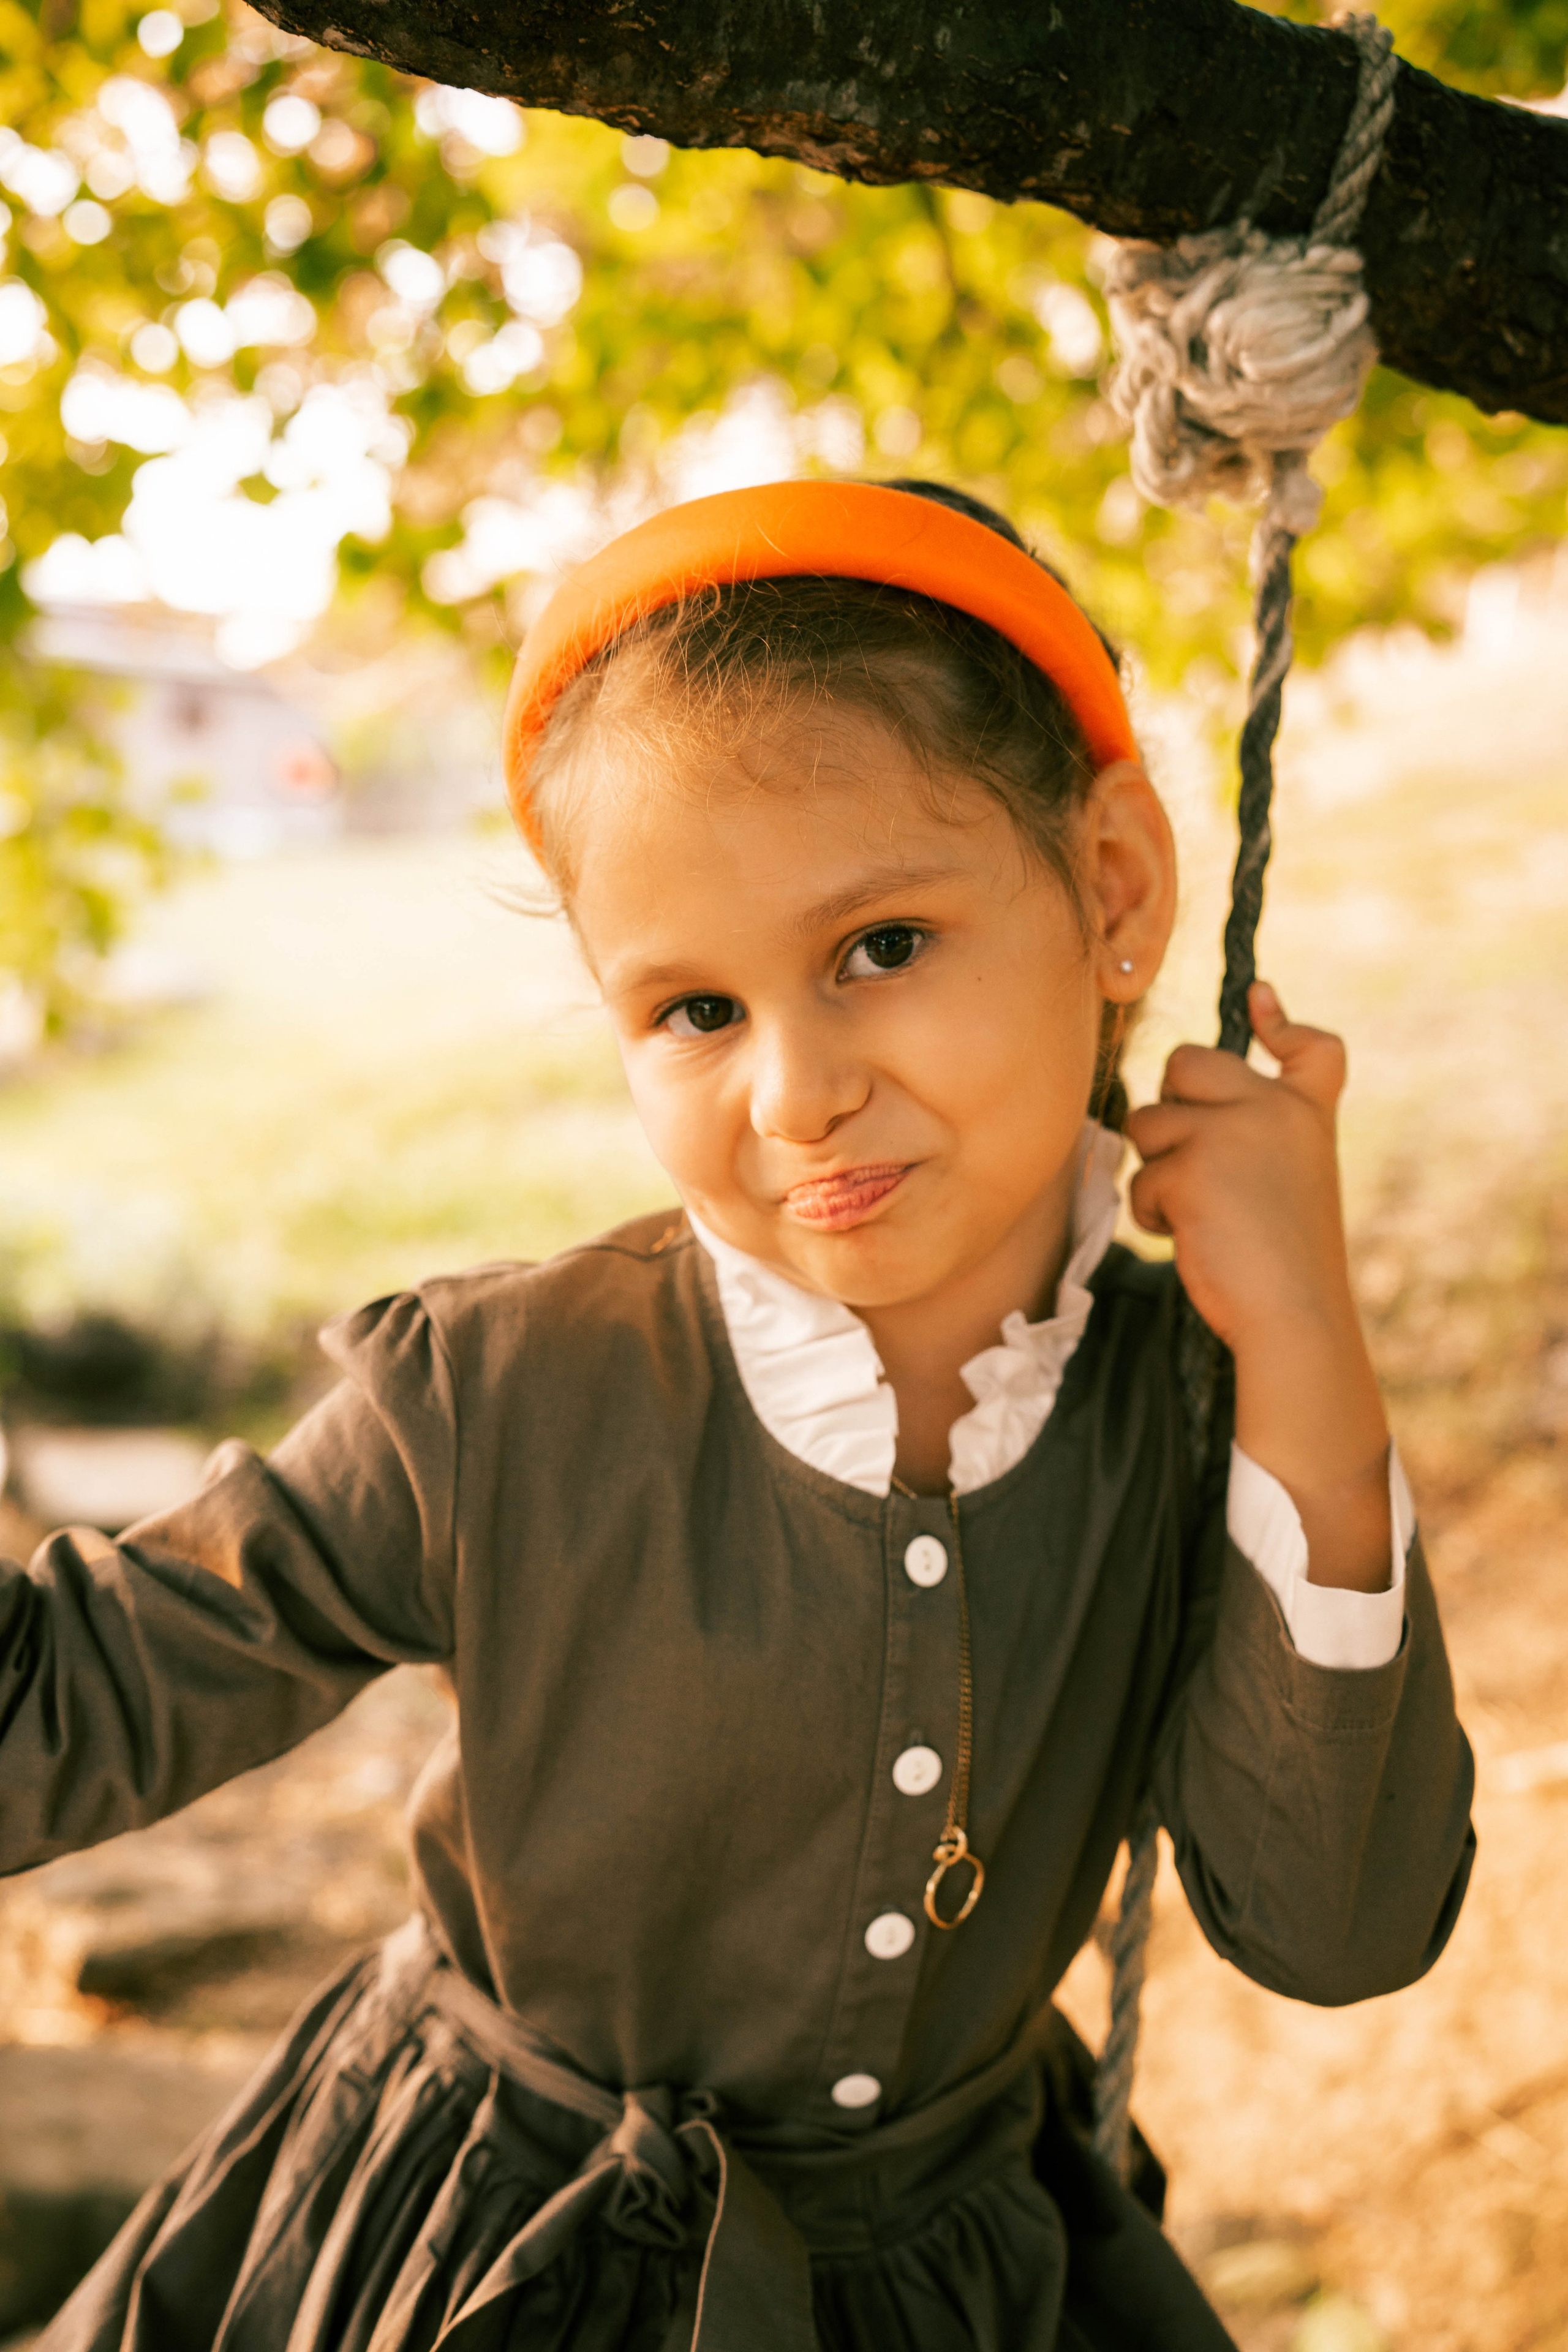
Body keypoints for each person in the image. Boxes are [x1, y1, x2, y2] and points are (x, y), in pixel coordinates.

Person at [3, 477, 1474, 2352]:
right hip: (473, 2270)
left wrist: (1309, 1364)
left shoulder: (1203, 1424)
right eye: (694, 1009)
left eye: (880, 949)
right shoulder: (496, 1402)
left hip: (952, 2290)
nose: (795, 1094)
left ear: (1112, 889)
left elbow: (1338, 1929)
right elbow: (59, 1708)